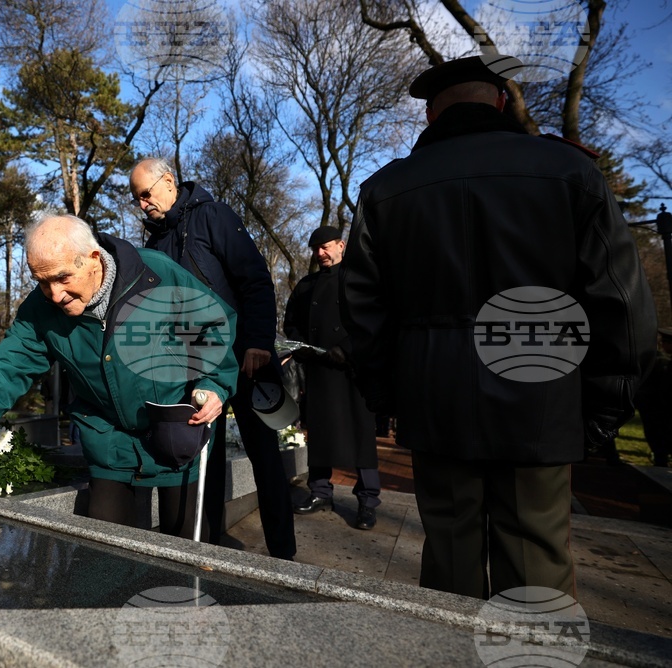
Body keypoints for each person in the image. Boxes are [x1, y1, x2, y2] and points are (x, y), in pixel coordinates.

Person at [340, 56, 657, 599]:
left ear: (432, 115)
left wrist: (387, 396)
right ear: (501, 103)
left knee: (449, 555)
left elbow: (362, 312)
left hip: (434, 394)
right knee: (536, 560)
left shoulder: (386, 189)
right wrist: (604, 406)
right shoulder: (570, 172)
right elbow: (621, 304)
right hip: (542, 389)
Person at [0, 215, 238, 539]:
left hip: (176, 430)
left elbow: (214, 326)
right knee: (103, 563)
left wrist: (214, 383)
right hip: (108, 441)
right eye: (42, 282)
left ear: (94, 258)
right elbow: (2, 373)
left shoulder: (157, 275)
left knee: (187, 555)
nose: (55, 295)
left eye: (63, 278)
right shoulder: (40, 310)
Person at [129, 157, 297, 560]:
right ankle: (210, 554)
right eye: (136, 199)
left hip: (243, 358)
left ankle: (283, 556)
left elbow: (255, 278)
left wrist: (257, 340)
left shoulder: (214, 217)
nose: (141, 204)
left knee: (263, 455)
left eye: (145, 194)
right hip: (193, 368)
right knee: (205, 455)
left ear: (168, 182)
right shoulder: (153, 243)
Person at [283, 226, 380, 530]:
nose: (320, 254)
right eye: (316, 249)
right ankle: (321, 491)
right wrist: (302, 347)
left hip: (353, 372)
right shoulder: (306, 286)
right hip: (319, 371)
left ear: (341, 245)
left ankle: (368, 500)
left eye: (325, 247)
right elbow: (292, 323)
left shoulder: (361, 280)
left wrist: (345, 349)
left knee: (361, 437)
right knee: (320, 434)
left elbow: (372, 320)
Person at [637, 327, 672, 467]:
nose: (662, 344)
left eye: (665, 342)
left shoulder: (661, 362)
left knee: (659, 439)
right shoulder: (663, 361)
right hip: (658, 408)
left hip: (660, 409)